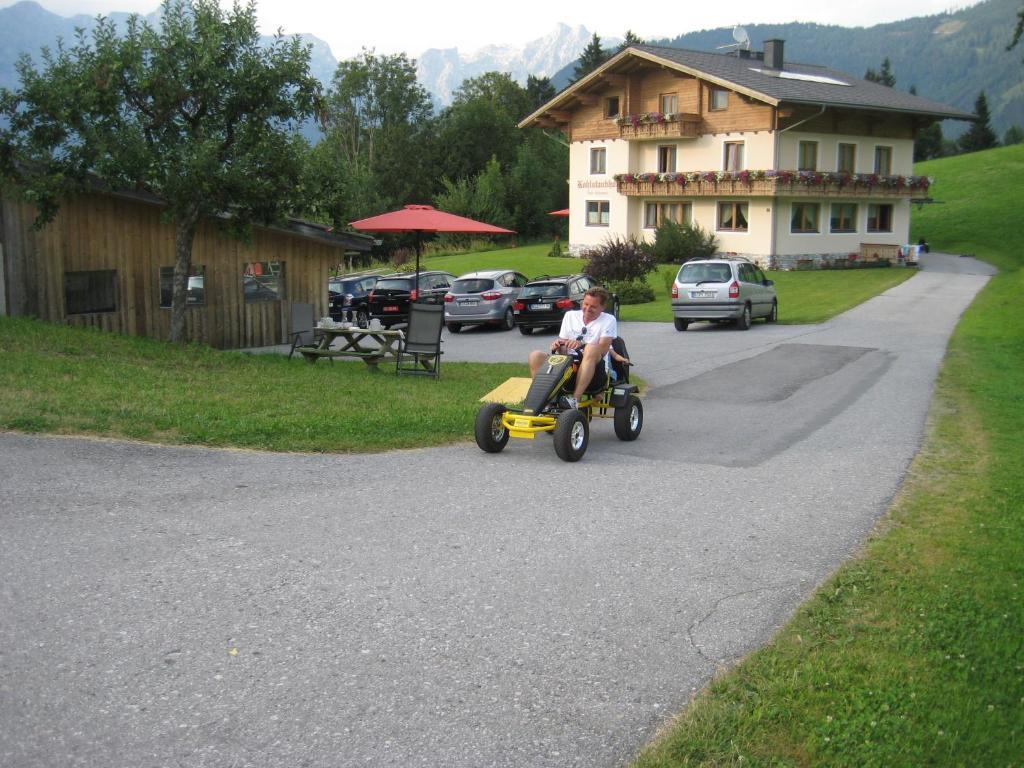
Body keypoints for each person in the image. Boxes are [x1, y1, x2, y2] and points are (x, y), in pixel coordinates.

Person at [528, 286, 617, 409]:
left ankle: (575, 399)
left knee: (591, 349)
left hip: (595, 370)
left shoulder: (608, 320)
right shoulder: (570, 316)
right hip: (569, 366)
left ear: (602, 307)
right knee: (535, 356)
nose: (587, 309)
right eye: (586, 304)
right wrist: (559, 345)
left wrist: (582, 344)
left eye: (593, 306)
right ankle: (543, 401)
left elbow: (603, 349)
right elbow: (563, 352)